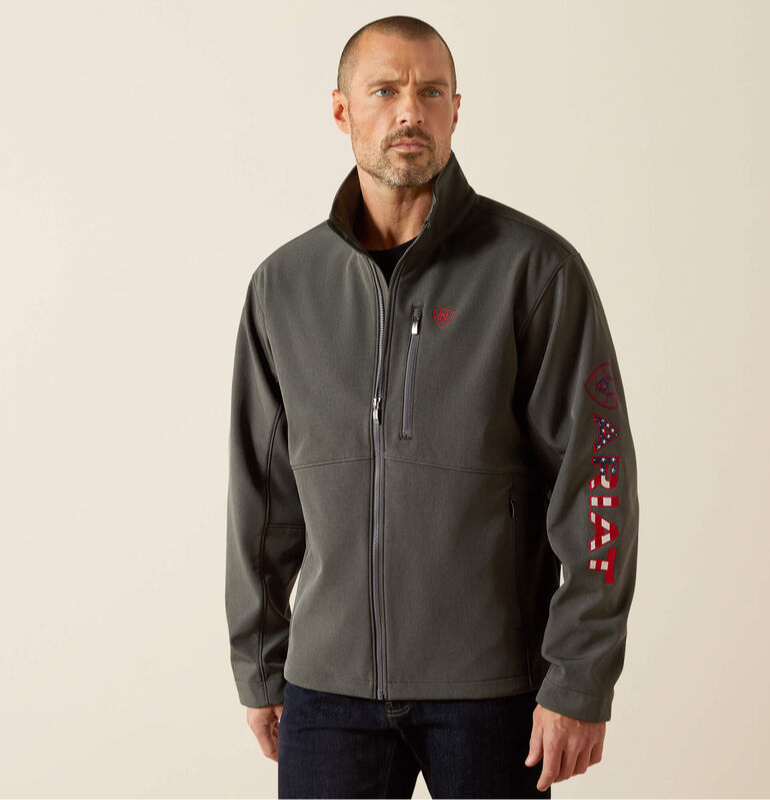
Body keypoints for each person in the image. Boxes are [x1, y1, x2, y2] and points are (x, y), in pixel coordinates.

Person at [225, 14, 639, 799]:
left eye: (431, 91)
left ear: (456, 109)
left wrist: (580, 677)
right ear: (342, 110)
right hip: (327, 692)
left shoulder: (535, 271)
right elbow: (261, 496)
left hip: (493, 691)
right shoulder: (285, 286)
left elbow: (599, 480)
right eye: (385, 91)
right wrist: (260, 661)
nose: (409, 111)